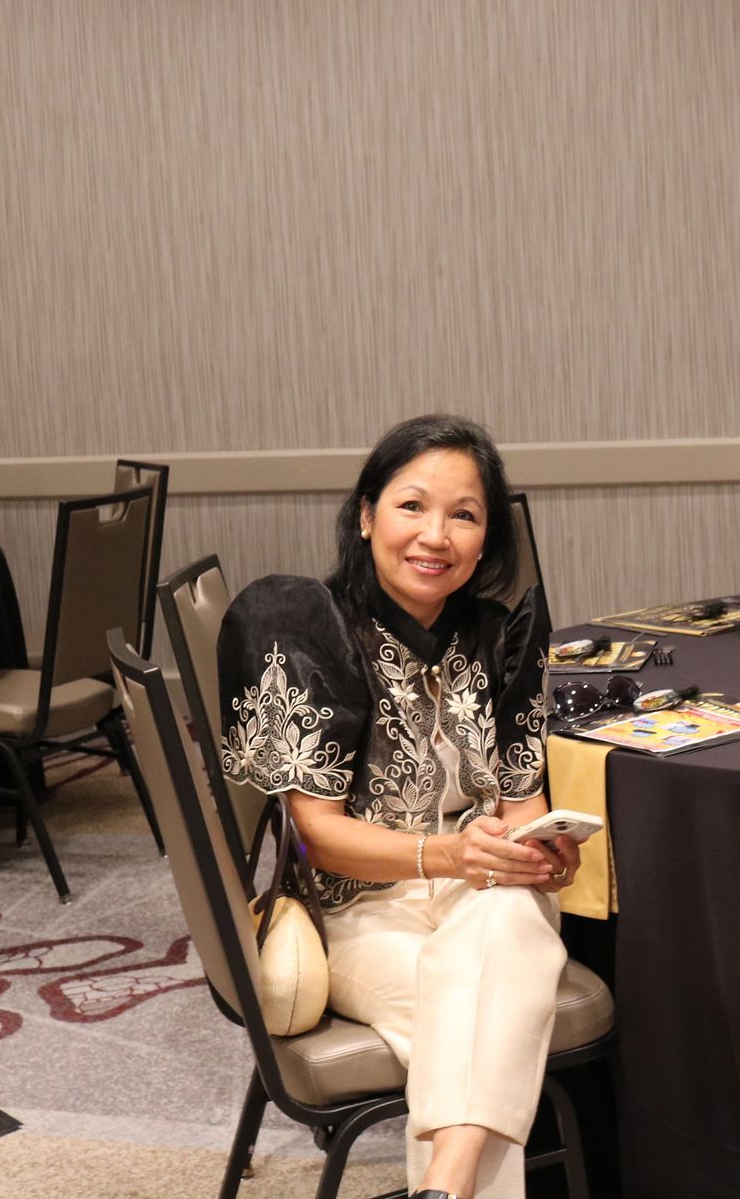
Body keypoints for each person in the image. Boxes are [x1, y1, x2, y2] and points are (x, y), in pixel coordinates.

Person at [217, 414, 579, 1199]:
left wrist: (543, 852)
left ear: (487, 539)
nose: (435, 535)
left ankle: (439, 1188)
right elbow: (316, 837)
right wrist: (452, 855)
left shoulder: (500, 638)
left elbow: (522, 807)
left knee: (509, 920)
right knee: (483, 1019)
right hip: (356, 915)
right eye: (412, 505)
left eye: (464, 514)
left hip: (486, 898)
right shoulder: (313, 629)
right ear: (366, 514)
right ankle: (451, 1184)